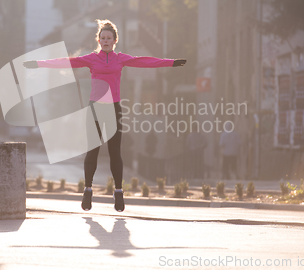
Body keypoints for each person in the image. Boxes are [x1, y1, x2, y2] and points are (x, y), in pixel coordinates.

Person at [23, 19, 186, 212]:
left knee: (115, 152)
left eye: (109, 38)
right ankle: (88, 190)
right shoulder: (91, 59)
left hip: (114, 109)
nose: (106, 40)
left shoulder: (121, 58)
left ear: (115, 40)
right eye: (103, 38)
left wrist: (171, 63)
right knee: (92, 151)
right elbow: (66, 62)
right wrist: (38, 64)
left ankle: (118, 192)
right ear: (99, 40)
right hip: (95, 109)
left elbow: (144, 61)